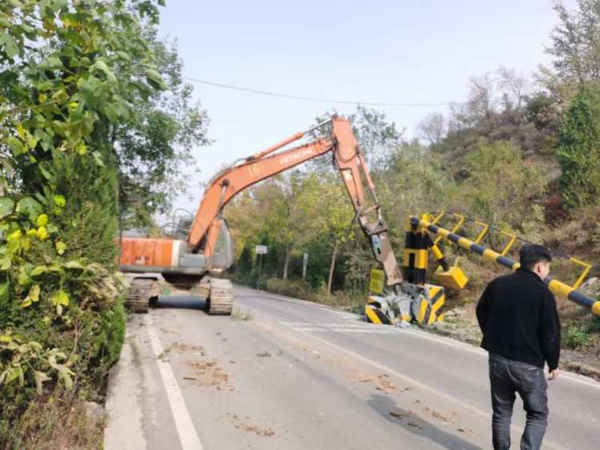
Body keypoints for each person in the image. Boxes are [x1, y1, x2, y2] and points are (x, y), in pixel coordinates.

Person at [476, 244, 561, 450]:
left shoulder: (498, 284)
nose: (547, 271)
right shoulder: (543, 294)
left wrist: (492, 336)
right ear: (540, 267)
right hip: (528, 365)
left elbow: (481, 311)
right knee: (537, 414)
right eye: (548, 267)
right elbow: (550, 333)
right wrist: (553, 363)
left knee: (502, 412)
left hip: (497, 359)